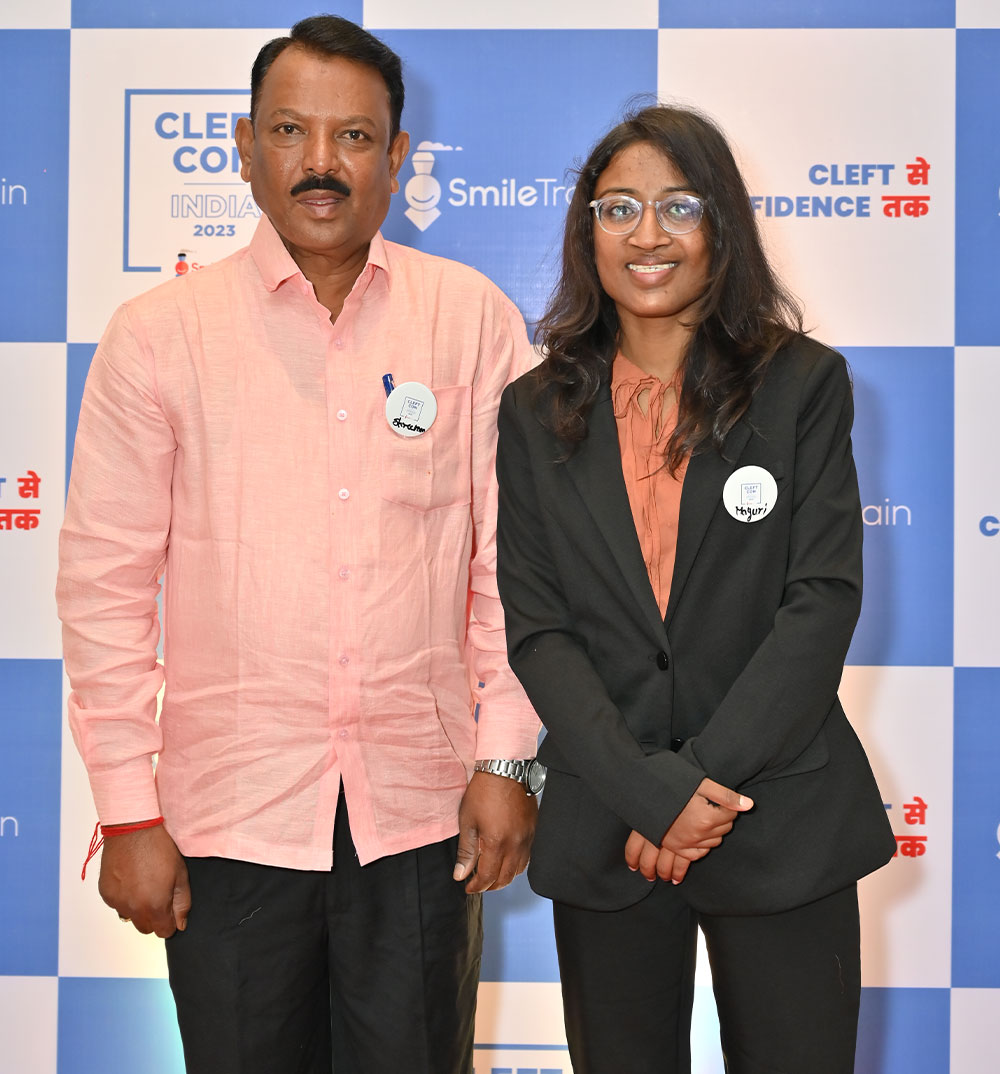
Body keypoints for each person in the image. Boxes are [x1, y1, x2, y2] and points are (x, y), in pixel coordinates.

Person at [57, 15, 540, 1074]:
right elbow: (104, 589)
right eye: (291, 130)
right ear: (243, 147)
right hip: (227, 820)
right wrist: (128, 812)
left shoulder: (472, 321)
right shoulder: (158, 336)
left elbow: (514, 570)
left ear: (398, 158)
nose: (322, 163)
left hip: (418, 818)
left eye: (355, 138)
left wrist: (507, 758)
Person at [495, 104, 895, 1074]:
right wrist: (647, 793)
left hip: (776, 817)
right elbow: (539, 630)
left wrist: (697, 788)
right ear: (584, 228)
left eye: (678, 206)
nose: (646, 235)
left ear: (722, 225)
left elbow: (821, 600)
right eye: (617, 207)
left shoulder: (801, 385)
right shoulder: (533, 409)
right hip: (609, 826)